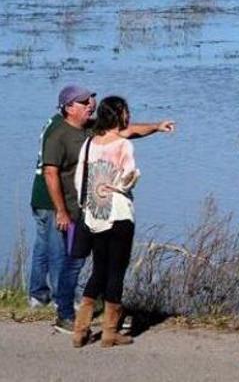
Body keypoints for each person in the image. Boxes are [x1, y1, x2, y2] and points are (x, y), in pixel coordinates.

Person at [36, 84, 173, 333]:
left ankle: (80, 322)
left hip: (87, 208)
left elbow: (127, 131)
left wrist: (156, 127)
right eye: (84, 102)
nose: (91, 104)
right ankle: (68, 314)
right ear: (69, 108)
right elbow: (50, 172)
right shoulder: (58, 135)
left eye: (92, 100)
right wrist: (62, 211)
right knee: (75, 261)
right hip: (66, 206)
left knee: (92, 265)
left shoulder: (90, 134)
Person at [71, 96, 172, 347]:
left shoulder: (88, 144)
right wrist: (129, 181)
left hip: (95, 215)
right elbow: (127, 176)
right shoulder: (123, 145)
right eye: (127, 112)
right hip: (118, 214)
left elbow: (78, 181)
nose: (129, 116)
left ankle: (80, 329)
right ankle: (109, 332)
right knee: (116, 271)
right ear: (121, 115)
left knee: (98, 270)